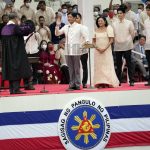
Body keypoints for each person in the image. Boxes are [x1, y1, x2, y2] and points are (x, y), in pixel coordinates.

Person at [1, 12, 35, 94]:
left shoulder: (4, 28)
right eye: (18, 19)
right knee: (17, 68)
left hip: (8, 55)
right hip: (15, 53)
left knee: (10, 69)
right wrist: (28, 23)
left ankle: (12, 89)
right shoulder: (14, 27)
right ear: (15, 18)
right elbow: (26, 30)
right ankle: (16, 89)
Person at [55, 12, 89, 90]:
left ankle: (77, 84)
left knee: (76, 67)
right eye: (68, 17)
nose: (69, 18)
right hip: (67, 49)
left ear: (74, 18)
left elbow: (86, 38)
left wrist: (82, 45)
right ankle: (71, 84)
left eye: (70, 17)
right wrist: (57, 25)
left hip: (76, 48)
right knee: (70, 68)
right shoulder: (66, 27)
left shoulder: (80, 27)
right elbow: (57, 34)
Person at [93, 16, 119, 88]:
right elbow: (93, 42)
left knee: (107, 66)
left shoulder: (109, 28)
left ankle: (108, 82)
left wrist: (104, 48)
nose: (100, 22)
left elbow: (111, 40)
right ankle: (100, 82)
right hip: (97, 52)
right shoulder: (95, 30)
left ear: (105, 21)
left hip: (106, 50)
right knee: (99, 67)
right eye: (98, 21)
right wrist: (98, 48)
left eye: (101, 21)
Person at [112, 7, 135, 86]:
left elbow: (133, 33)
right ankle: (118, 81)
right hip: (118, 46)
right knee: (118, 64)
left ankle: (131, 81)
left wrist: (128, 41)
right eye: (118, 13)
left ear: (124, 14)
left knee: (129, 63)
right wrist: (116, 41)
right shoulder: (114, 23)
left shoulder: (129, 22)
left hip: (127, 45)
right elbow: (113, 35)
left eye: (121, 13)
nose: (119, 14)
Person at [76, 13, 89, 88]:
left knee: (84, 66)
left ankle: (84, 82)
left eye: (77, 18)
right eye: (75, 18)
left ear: (80, 19)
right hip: (75, 49)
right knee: (76, 67)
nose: (76, 19)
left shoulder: (84, 27)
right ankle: (76, 82)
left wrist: (81, 46)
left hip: (83, 49)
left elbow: (86, 38)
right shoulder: (72, 28)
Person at [144, 4, 150, 86]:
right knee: (149, 63)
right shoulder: (145, 21)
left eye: (149, 10)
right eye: (147, 10)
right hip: (148, 45)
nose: (148, 12)